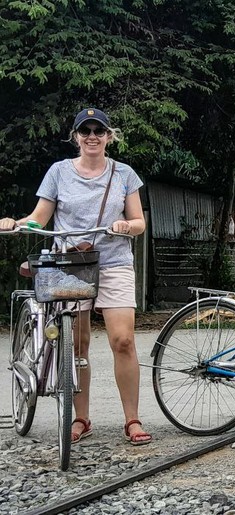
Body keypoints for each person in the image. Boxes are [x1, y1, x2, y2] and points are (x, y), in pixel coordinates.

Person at [0, 108, 150, 445]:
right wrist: (16, 223)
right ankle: (80, 417)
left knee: (122, 340)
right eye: (86, 131)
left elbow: (139, 223)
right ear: (76, 136)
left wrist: (127, 225)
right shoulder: (58, 172)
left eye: (99, 130)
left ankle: (133, 420)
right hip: (69, 264)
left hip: (113, 262)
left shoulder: (124, 173)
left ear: (110, 136)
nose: (92, 136)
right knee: (76, 344)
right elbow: (40, 218)